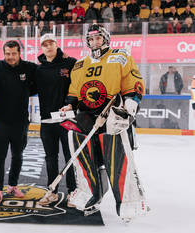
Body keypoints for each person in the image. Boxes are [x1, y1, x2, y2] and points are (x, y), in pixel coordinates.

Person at [61, 24, 145, 217]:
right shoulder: (80, 63)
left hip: (112, 114)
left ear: (105, 38)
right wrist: (70, 105)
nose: (94, 42)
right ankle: (91, 193)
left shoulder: (120, 56)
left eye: (98, 38)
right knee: (85, 156)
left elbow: (133, 81)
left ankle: (127, 202)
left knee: (117, 157)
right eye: (91, 39)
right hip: (86, 116)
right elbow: (74, 91)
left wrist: (132, 100)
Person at [0, 40, 37, 205]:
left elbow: (44, 70)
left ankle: (13, 185)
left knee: (18, 155)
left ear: (19, 53)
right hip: (1, 122)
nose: (10, 57)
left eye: (13, 53)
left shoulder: (29, 68)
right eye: (7, 53)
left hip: (21, 122)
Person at [34, 33, 77, 207]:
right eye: (45, 44)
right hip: (47, 121)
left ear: (57, 45)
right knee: (50, 158)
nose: (48, 47)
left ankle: (72, 192)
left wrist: (71, 104)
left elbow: (78, 86)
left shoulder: (70, 63)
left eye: (51, 43)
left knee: (70, 157)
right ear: (42, 48)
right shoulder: (38, 69)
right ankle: (51, 191)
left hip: (66, 119)